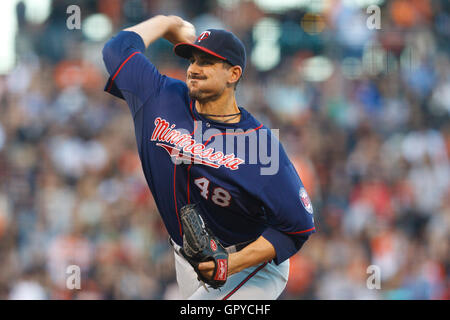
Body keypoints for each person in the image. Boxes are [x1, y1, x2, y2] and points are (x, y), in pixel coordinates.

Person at [102, 15, 316, 300]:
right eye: (192, 60)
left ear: (233, 74)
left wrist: (230, 265)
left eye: (206, 62)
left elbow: (298, 226)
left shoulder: (258, 144)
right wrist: (167, 24)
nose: (193, 69)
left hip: (249, 264)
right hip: (187, 259)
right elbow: (117, 48)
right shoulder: (160, 96)